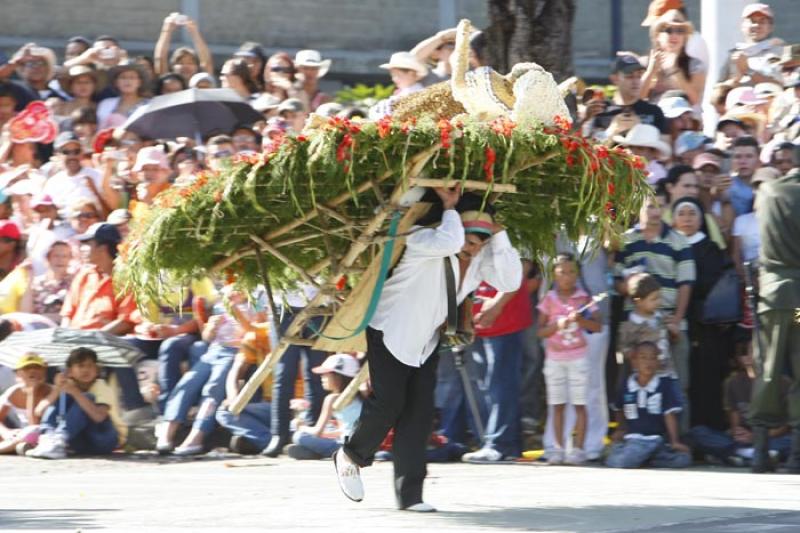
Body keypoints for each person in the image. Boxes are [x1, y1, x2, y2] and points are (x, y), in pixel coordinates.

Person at [333, 187, 521, 511]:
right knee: (388, 403)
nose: (470, 247)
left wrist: (499, 235)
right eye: (468, 237)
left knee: (419, 417)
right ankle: (350, 455)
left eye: (479, 242)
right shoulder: (422, 239)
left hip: (425, 343)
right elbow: (448, 241)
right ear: (454, 225)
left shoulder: (477, 261)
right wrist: (450, 207)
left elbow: (510, 281)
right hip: (391, 329)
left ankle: (410, 496)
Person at [157, 287, 266, 456]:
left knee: (213, 389)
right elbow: (207, 337)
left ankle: (196, 437)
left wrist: (236, 311)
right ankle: (166, 434)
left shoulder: (257, 297)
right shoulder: (222, 297)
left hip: (237, 350)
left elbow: (258, 330)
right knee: (187, 384)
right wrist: (210, 329)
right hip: (214, 350)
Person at [615, 197, 695, 426]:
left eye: (660, 206)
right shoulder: (626, 241)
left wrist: (677, 320)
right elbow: (617, 283)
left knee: (678, 385)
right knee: (629, 382)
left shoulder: (679, 241)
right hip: (634, 326)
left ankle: (679, 439)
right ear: (638, 208)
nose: (655, 211)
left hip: (670, 321)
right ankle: (631, 433)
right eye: (650, 206)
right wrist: (630, 286)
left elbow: (686, 284)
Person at [748, 169, 800, 474]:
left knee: (768, 369)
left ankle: (759, 450)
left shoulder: (768, 192)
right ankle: (796, 455)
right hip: (799, 302)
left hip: (773, 297)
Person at [671, 197, 734, 429]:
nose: (687, 218)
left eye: (692, 214)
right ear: (674, 219)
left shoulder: (710, 248)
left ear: (700, 219)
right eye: (682, 213)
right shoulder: (668, 245)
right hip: (675, 321)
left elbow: (713, 283)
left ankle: (708, 433)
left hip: (705, 325)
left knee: (705, 380)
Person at [537, 254, 601, 465]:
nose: (567, 276)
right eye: (562, 272)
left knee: (580, 404)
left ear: (578, 274)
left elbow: (597, 326)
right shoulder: (549, 299)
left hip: (578, 358)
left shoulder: (585, 298)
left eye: (572, 271)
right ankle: (557, 448)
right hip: (554, 359)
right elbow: (541, 332)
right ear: (554, 274)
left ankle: (579, 449)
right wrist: (557, 325)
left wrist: (581, 320)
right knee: (557, 404)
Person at [689, 349, 791, 466]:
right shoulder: (733, 382)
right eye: (745, 353)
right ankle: (749, 454)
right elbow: (734, 423)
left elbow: (786, 425)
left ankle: (737, 456)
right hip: (743, 441)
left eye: (753, 353)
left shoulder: (784, 383)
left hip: (771, 437)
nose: (748, 357)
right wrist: (738, 433)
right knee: (697, 433)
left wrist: (756, 437)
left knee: (791, 441)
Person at [605, 341, 691, 469]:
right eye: (643, 357)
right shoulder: (627, 385)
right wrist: (621, 429)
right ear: (634, 362)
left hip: (656, 440)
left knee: (683, 459)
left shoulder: (664, 385)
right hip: (634, 439)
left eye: (652, 358)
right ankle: (637, 457)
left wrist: (674, 442)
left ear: (658, 362)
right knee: (624, 460)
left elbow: (669, 414)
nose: (648, 362)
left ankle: (642, 458)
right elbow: (619, 408)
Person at [27, 347, 125, 459]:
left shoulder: (101, 386)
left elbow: (99, 417)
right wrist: (58, 389)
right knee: (64, 397)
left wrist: (75, 392)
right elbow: (39, 412)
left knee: (86, 397)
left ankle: (59, 439)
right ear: (69, 372)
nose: (85, 370)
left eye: (90, 366)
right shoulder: (68, 385)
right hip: (80, 441)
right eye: (80, 366)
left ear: (97, 370)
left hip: (104, 439)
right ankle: (49, 439)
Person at [287, 353, 362, 460]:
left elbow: (318, 431)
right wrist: (327, 434)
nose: (322, 377)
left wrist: (300, 427)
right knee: (330, 427)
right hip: (363, 445)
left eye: (326, 374)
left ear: (338, 376)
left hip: (346, 446)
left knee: (299, 436)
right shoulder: (361, 396)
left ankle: (323, 453)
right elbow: (345, 429)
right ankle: (319, 452)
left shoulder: (331, 399)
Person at [586, 52, 668, 137]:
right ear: (615, 79)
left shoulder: (653, 111)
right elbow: (588, 147)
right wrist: (610, 133)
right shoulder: (601, 111)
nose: (636, 82)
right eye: (630, 77)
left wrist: (640, 129)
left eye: (639, 76)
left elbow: (664, 146)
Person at [640, 10, 706, 106]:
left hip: (683, 118)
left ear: (685, 37)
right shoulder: (645, 62)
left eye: (680, 31)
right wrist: (651, 71)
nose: (674, 35)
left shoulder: (695, 64)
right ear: (657, 36)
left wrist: (674, 70)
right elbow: (638, 97)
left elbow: (694, 99)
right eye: (668, 30)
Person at [719, 3, 784, 87]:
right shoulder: (734, 55)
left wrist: (748, 70)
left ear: (770, 27)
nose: (756, 25)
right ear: (742, 26)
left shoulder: (780, 53)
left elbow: (781, 88)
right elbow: (717, 93)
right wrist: (732, 83)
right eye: (752, 21)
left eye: (762, 22)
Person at [0, 353, 52, 455]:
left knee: (33, 431)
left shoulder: (51, 391)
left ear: (44, 371)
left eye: (37, 367)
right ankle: (17, 446)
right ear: (18, 374)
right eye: (27, 368)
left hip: (43, 433)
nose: (32, 371)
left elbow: (34, 424)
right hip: (19, 433)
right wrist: (6, 432)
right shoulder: (12, 392)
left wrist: (31, 392)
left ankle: (12, 446)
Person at [153, 12, 214, 82]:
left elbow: (207, 62)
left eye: (190, 63)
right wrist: (166, 30)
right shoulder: (168, 85)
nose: (186, 66)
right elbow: (160, 60)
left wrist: (195, 32)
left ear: (198, 67)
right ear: (172, 67)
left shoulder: (203, 83)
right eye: (180, 63)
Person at [96, 61, 148, 129]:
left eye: (132, 77)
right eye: (123, 77)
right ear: (116, 82)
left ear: (139, 82)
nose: (127, 81)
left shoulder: (149, 105)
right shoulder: (105, 104)